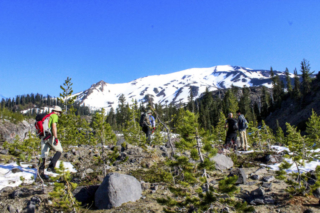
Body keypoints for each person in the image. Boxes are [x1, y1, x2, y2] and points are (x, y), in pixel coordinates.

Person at [39, 106, 63, 179]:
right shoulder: (54, 116)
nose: (59, 114)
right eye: (59, 112)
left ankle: (41, 172)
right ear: (57, 111)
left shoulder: (47, 116)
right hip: (49, 136)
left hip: (43, 135)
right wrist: (55, 137)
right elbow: (54, 126)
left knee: (44, 154)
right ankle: (51, 167)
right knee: (59, 150)